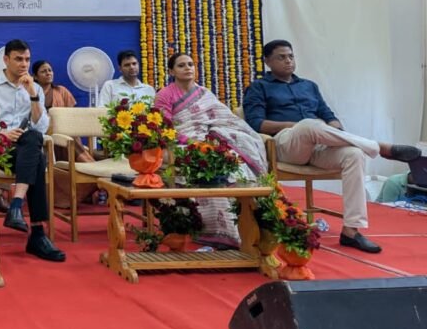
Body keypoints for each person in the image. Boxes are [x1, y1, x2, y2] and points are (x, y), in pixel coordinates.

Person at [242, 39, 422, 254]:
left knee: (354, 154)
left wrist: (334, 129)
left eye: (291, 56)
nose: (288, 61)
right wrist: (295, 126)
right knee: (309, 125)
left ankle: (351, 230)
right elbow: (256, 123)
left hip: (319, 144)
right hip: (286, 144)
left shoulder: (309, 86)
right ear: (267, 61)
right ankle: (379, 147)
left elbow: (329, 116)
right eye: (281, 57)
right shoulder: (259, 87)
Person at [154, 52, 268, 247]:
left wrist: (214, 139)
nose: (188, 68)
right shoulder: (164, 95)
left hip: (207, 141)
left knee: (234, 162)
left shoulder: (204, 94)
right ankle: (215, 231)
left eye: (190, 64)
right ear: (171, 71)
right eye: (181, 65)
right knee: (204, 165)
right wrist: (190, 141)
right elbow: (164, 130)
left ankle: (249, 226)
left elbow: (222, 119)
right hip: (177, 145)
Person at [0, 39, 65, 262]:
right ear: (6, 60)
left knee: (33, 140)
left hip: (24, 150)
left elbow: (41, 127)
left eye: (27, 59)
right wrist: (0, 134)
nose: (24, 64)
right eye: (18, 59)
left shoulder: (35, 89)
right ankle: (37, 234)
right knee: (37, 159)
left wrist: (32, 94)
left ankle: (16, 206)